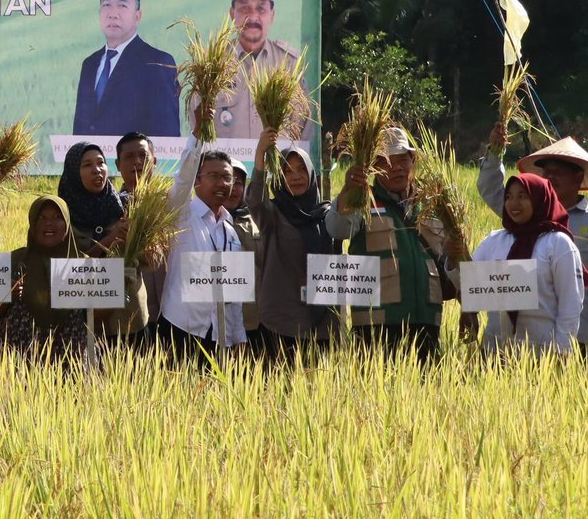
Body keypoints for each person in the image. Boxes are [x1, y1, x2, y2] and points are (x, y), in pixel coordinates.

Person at [331, 127, 456, 363]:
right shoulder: (362, 199)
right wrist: (348, 190)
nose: (397, 167)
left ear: (413, 160)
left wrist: (468, 306)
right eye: (388, 161)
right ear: (375, 166)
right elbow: (336, 229)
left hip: (426, 320)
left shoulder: (431, 203)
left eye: (403, 160)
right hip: (376, 324)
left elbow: (450, 257)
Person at [476, 131, 588, 350]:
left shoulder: (560, 241)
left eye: (559, 173)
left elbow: (571, 298)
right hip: (506, 344)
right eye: (546, 173)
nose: (550, 179)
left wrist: (562, 348)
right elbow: (493, 191)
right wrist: (496, 153)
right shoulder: (520, 223)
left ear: (578, 177)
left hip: (580, 330)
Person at [247, 129, 352, 360]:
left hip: (324, 326)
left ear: (312, 173)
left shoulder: (328, 215)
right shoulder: (273, 215)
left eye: (302, 169)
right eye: (287, 171)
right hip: (280, 324)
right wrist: (260, 155)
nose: (295, 176)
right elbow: (255, 200)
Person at [157, 114, 249, 362]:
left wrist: (238, 336)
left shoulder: (230, 228)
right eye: (214, 176)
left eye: (227, 177)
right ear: (197, 181)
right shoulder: (182, 213)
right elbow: (182, 178)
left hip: (218, 334)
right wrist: (197, 133)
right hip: (180, 328)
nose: (222, 183)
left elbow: (233, 293)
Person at [71, 0, 180, 137]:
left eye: (122, 5)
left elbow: (167, 135)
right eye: (106, 5)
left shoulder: (157, 63)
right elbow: (80, 132)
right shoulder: (90, 64)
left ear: (137, 16)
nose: (112, 14)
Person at [203, 0, 312, 141]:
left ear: (272, 15)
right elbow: (198, 122)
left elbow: (305, 128)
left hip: (277, 166)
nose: (252, 17)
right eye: (244, 8)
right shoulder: (213, 64)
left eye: (261, 8)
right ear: (232, 14)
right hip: (226, 166)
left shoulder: (290, 64)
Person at [0, 195, 92, 363]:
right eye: (42, 217)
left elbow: (99, 320)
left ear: (67, 223)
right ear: (33, 224)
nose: (49, 223)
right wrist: (6, 294)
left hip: (71, 361)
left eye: (57, 217)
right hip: (17, 363)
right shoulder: (14, 260)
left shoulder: (85, 264)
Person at [58, 143, 148, 343]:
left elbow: (150, 260)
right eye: (87, 165)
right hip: (85, 321)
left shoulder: (124, 208)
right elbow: (64, 270)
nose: (97, 170)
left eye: (101, 163)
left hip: (129, 318)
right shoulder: (61, 217)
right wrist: (109, 239)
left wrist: (138, 238)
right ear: (74, 172)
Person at [117, 132, 168, 335]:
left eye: (143, 155)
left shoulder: (171, 204)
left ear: (154, 161)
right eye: (129, 157)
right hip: (132, 316)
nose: (137, 162)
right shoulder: (110, 208)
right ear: (118, 164)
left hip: (173, 313)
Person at [228, 163, 262, 341]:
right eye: (227, 180)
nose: (233, 188)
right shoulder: (204, 222)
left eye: (238, 182)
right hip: (215, 323)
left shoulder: (257, 220)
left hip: (253, 322)